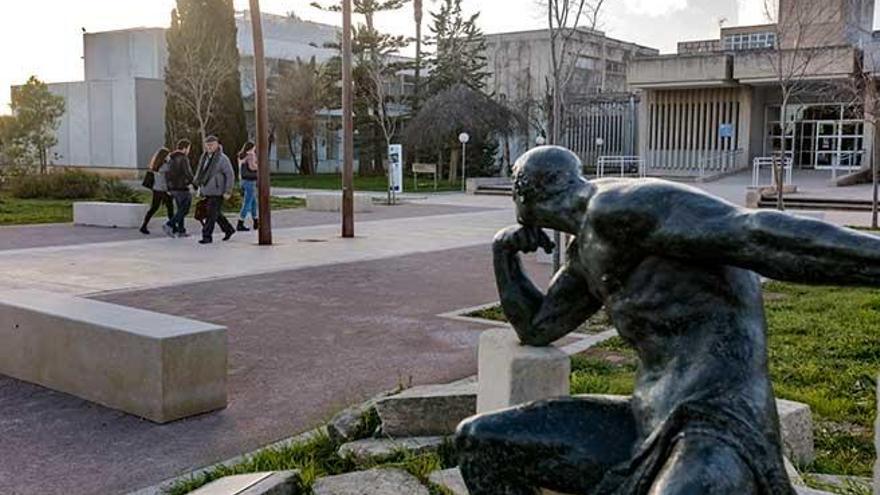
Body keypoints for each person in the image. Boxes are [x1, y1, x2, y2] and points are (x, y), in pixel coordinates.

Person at [455, 146, 880, 495]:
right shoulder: (586, 249)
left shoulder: (622, 207)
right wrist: (503, 254)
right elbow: (538, 327)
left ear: (521, 197)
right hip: (647, 419)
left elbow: (757, 233)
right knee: (480, 442)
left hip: (718, 421)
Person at [193, 135, 235, 244]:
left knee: (211, 214)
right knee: (215, 214)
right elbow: (200, 173)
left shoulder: (222, 159)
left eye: (211, 144)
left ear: (217, 144)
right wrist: (198, 187)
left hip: (218, 192)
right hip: (207, 191)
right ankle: (229, 229)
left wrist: (228, 191)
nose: (209, 147)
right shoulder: (204, 158)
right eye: (207, 145)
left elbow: (230, 175)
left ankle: (207, 236)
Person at [140, 147, 173, 235]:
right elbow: (165, 179)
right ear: (164, 156)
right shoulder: (165, 166)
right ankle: (173, 227)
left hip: (156, 190)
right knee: (170, 209)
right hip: (163, 190)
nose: (169, 156)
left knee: (153, 208)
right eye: (168, 155)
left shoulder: (155, 165)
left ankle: (143, 226)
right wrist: (168, 191)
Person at [165, 139, 194, 238]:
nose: (189, 151)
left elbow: (167, 174)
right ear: (185, 148)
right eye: (189, 148)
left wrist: (169, 188)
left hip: (173, 189)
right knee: (185, 210)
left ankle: (181, 231)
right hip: (182, 187)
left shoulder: (171, 158)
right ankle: (169, 224)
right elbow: (188, 173)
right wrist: (194, 183)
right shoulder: (183, 158)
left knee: (180, 209)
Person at [236, 141, 259, 232]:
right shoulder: (251, 155)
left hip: (243, 180)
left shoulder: (241, 155)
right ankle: (240, 223)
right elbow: (252, 167)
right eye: (254, 147)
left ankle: (256, 222)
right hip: (250, 181)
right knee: (247, 202)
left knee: (253, 202)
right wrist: (260, 166)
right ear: (251, 147)